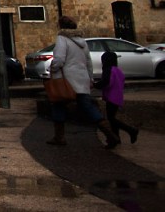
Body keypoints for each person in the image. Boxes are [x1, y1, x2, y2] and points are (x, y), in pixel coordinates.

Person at [46, 15, 119, 147]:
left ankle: (59, 137)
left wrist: (53, 68)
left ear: (60, 26)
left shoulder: (62, 39)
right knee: (87, 106)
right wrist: (90, 78)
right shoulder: (82, 41)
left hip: (67, 80)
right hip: (82, 78)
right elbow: (88, 62)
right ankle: (109, 133)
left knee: (58, 105)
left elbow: (60, 59)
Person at [96, 51, 139, 148]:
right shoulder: (118, 70)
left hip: (111, 97)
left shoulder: (108, 70)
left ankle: (131, 130)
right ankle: (117, 138)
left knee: (111, 119)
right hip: (118, 96)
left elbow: (106, 83)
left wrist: (95, 85)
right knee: (112, 119)